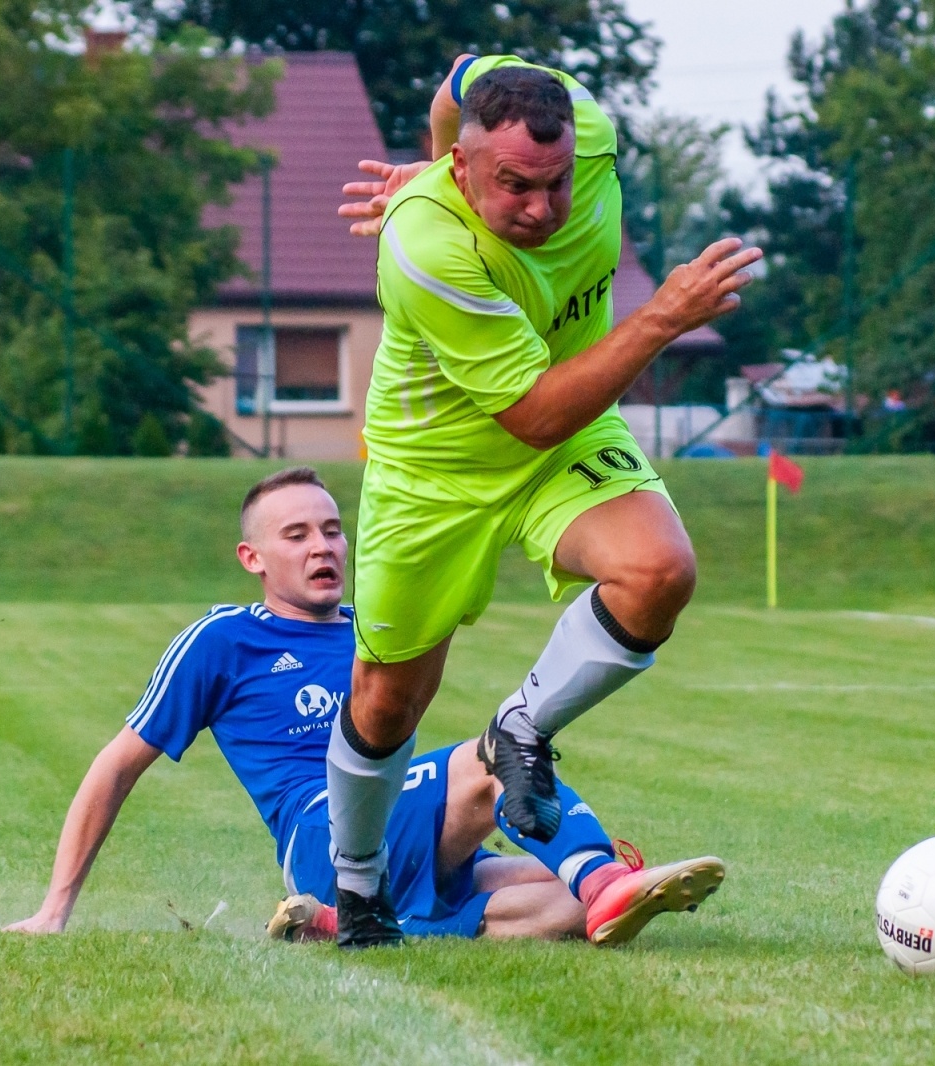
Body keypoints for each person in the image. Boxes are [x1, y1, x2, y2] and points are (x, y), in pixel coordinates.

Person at [326, 57, 760, 946]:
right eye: (512, 186)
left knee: (658, 570)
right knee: (385, 698)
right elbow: (528, 413)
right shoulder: (425, 245)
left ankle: (518, 729)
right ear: (465, 175)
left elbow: (454, 76)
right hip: (435, 469)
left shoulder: (585, 125)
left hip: (565, 431)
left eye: (554, 183)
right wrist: (662, 317)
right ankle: (360, 890)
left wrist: (446, 146)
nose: (539, 207)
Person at [3, 468, 725, 945]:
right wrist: (54, 908)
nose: (323, 546)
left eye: (331, 529)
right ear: (253, 559)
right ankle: (604, 882)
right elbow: (116, 766)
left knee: (562, 899)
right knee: (499, 753)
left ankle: (344, 926)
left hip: (404, 832)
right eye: (297, 535)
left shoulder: (376, 626)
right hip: (323, 842)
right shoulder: (222, 640)